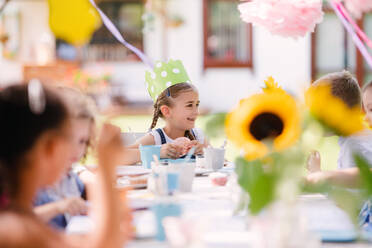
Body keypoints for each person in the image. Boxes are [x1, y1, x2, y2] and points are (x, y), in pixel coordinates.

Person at [0, 83, 131, 247]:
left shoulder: (18, 217)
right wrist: (106, 166)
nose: (74, 150)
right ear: (49, 147)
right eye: (68, 139)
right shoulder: (13, 229)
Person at [33, 87, 97, 229]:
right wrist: (57, 207)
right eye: (68, 139)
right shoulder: (31, 182)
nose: (77, 150)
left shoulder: (70, 179)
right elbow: (16, 222)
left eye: (82, 141)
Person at [123, 60, 209, 164]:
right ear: (166, 111)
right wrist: (157, 152)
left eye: (197, 105)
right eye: (189, 105)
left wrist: (205, 152)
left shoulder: (198, 137)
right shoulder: (157, 138)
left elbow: (223, 162)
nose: (196, 112)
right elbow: (117, 156)